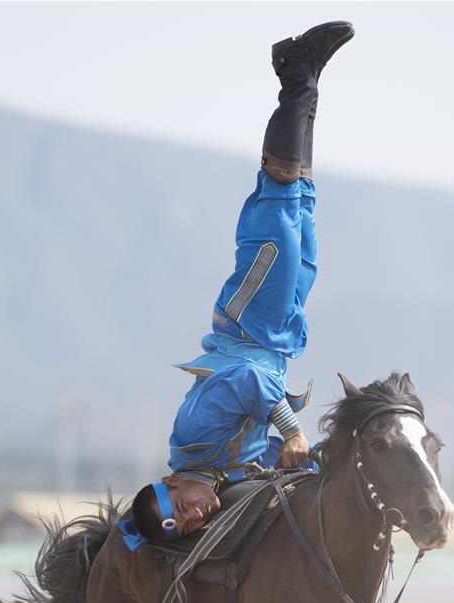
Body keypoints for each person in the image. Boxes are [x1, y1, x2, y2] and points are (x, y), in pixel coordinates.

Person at [128, 21, 354, 544]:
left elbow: (250, 384)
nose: (192, 519)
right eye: (182, 527)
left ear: (170, 484)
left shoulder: (191, 436)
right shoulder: (222, 471)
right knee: (302, 208)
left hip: (250, 326)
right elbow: (280, 455)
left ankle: (295, 72)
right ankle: (310, 79)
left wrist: (293, 431)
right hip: (276, 339)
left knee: (277, 214)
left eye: (177, 511)